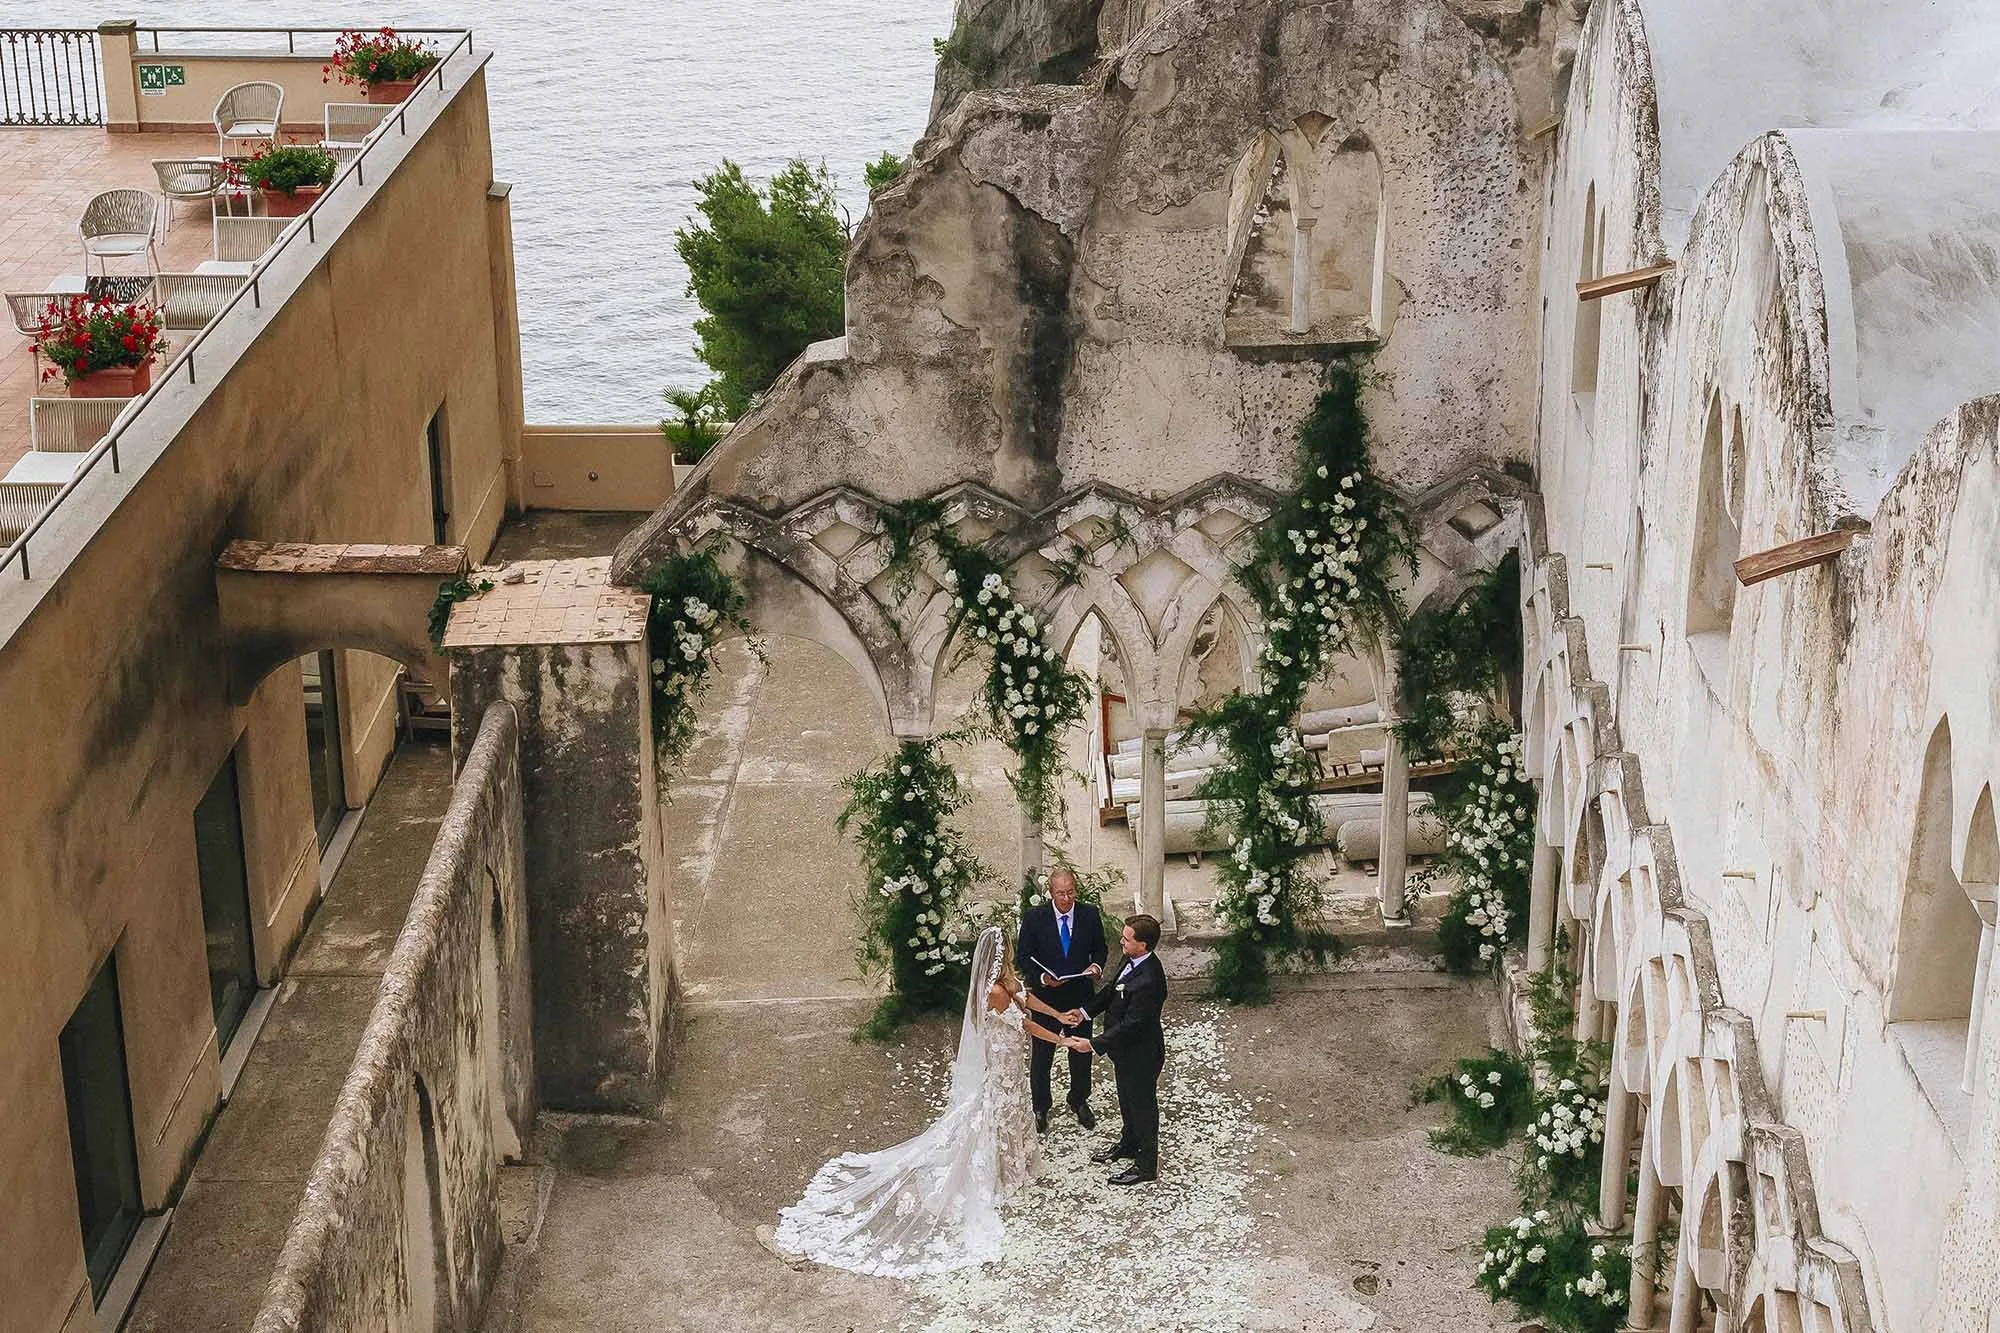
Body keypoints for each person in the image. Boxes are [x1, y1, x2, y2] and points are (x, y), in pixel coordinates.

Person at [766, 927, 1074, 1275]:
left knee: (1014, 1106)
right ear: (1000, 956)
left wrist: (1060, 1015)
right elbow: (1025, 1024)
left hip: (1010, 1058)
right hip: (1002, 1058)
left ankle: (1014, 1164)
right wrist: (1061, 1040)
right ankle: (1002, 1170)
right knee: (1001, 1110)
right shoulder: (997, 992)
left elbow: (1028, 996)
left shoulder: (1008, 983)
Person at [1063, 913, 1167, 1185]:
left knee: (1143, 1107)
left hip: (1141, 1053)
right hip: (1123, 1052)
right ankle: (1129, 1143)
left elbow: (1132, 1025)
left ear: (1143, 945)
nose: (1121, 940)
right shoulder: (1130, 959)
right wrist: (1084, 1013)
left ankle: (1146, 1165)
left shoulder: (1149, 981)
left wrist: (1093, 1044)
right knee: (1126, 1099)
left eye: (1126, 938)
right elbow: (1111, 990)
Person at [1014, 866, 1108, 1132]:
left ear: (1075, 890)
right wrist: (1042, 979)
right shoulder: (1034, 918)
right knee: (1042, 1055)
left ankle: (1079, 1100)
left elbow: (1100, 948)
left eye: (1070, 893)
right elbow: (1024, 956)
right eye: (1060, 894)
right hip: (1046, 999)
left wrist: (1096, 967)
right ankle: (1041, 1106)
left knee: (1080, 1052)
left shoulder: (1089, 914)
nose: (1066, 899)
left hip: (1079, 995)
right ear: (1051, 893)